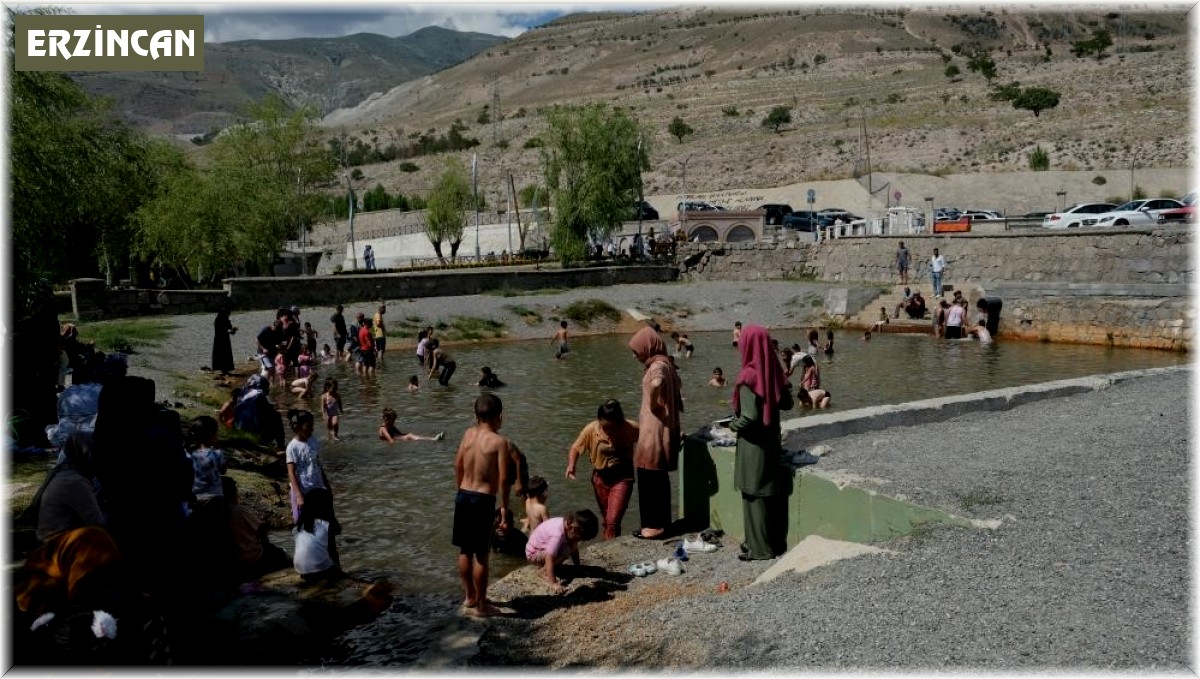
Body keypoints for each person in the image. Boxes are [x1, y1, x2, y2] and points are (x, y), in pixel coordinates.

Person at [729, 324, 794, 561]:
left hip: (753, 445)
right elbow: (787, 403)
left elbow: (750, 416)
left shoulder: (748, 375)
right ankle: (772, 542)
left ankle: (759, 549)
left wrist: (732, 426)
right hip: (772, 443)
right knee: (768, 493)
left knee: (753, 494)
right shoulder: (773, 371)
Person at [452, 394, 520, 618]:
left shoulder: (468, 434)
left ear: (476, 415)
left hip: (463, 494)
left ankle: (470, 596)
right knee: (481, 555)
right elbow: (503, 478)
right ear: (499, 417)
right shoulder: (499, 442)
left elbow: (457, 464)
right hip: (482, 499)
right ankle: (482, 606)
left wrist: (459, 489)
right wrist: (504, 507)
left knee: (464, 550)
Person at [628, 326, 682, 540]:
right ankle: (662, 524)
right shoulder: (667, 363)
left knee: (648, 476)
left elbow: (657, 382)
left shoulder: (657, 366)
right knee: (659, 478)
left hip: (653, 431)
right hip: (664, 427)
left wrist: (653, 403)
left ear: (647, 346)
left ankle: (651, 527)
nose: (635, 356)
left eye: (636, 351)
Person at [565, 398, 638, 540]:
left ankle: (608, 549)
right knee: (607, 519)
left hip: (622, 477)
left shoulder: (631, 428)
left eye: (613, 428)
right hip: (600, 478)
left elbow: (651, 434)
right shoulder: (591, 429)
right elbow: (575, 447)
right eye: (605, 428)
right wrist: (571, 464)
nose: (609, 432)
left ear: (620, 422)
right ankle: (611, 545)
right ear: (599, 421)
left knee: (612, 520)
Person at [26, 432, 105, 543]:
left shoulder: (62, 469)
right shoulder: (75, 481)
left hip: (48, 535)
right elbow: (97, 523)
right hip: (58, 542)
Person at [524, 510, 599, 595]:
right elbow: (549, 557)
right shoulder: (557, 535)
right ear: (573, 528)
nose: (578, 540)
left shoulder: (569, 526)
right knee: (565, 550)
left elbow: (575, 551)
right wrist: (554, 583)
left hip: (543, 548)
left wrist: (578, 568)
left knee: (571, 546)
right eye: (579, 538)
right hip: (534, 553)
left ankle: (555, 566)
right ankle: (544, 571)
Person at [285, 409, 332, 529]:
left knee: (322, 524)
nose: (312, 429)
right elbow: (291, 472)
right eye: (308, 426)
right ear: (298, 427)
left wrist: (326, 484)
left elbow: (317, 464)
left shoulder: (313, 441)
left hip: (317, 489)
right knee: (304, 526)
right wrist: (299, 495)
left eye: (312, 425)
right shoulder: (293, 447)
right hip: (303, 491)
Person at [293, 487, 341, 581]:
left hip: (302, 571)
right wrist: (338, 568)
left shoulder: (299, 526)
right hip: (321, 571)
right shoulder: (326, 525)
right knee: (332, 555)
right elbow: (332, 550)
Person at [378, 407, 444, 443]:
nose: (393, 423)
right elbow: (391, 441)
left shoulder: (391, 426)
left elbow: (400, 434)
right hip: (393, 440)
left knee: (410, 435)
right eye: (391, 421)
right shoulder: (383, 429)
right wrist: (402, 442)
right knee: (409, 436)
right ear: (385, 419)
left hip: (395, 438)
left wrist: (405, 436)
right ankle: (433, 439)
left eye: (393, 421)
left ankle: (432, 438)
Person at [211, 305, 237, 375]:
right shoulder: (218, 321)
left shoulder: (226, 320)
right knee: (221, 354)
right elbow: (222, 331)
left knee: (226, 354)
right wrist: (229, 331)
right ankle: (222, 369)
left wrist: (233, 330)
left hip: (225, 340)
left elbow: (231, 331)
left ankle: (226, 370)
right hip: (219, 340)